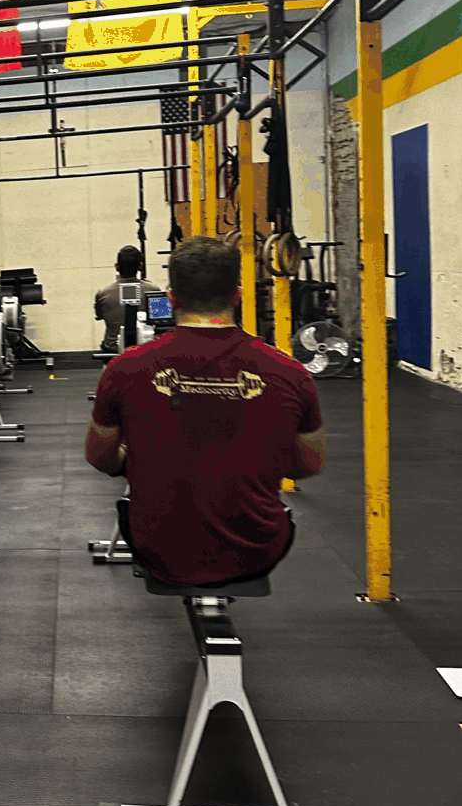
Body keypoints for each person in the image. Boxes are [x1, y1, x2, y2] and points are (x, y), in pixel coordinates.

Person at [84, 235, 325, 587]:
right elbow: (308, 465)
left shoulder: (123, 370)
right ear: (238, 295)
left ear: (171, 299)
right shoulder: (290, 372)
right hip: (259, 549)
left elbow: (100, 458)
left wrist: (138, 459)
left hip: (156, 546)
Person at [94, 245, 163, 354]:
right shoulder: (154, 291)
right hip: (146, 350)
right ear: (140, 266)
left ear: (117, 266)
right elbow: (161, 321)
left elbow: (100, 316)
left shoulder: (102, 293)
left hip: (113, 351)